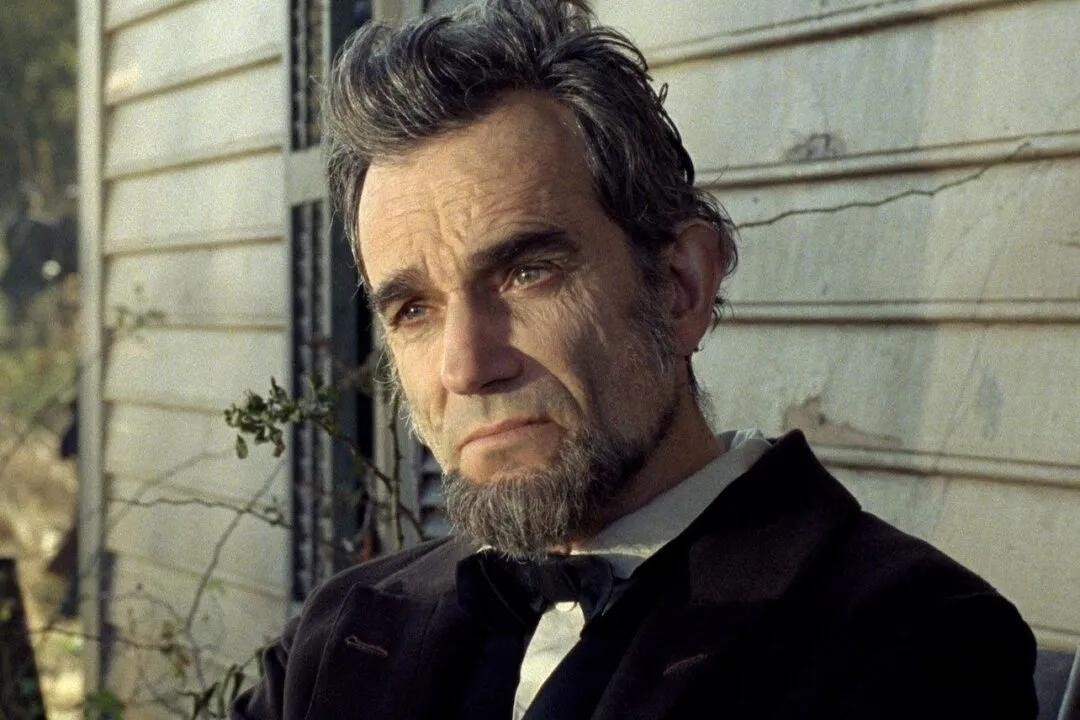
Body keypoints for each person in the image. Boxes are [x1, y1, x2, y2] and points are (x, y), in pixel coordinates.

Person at [232, 1, 1037, 718]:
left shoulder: (908, 640)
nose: (465, 367)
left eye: (526, 272)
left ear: (681, 286)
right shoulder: (340, 637)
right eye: (414, 310)